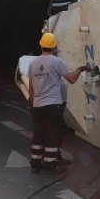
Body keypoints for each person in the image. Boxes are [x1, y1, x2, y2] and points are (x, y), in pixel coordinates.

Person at [28, 33, 89, 173]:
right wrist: (80, 69)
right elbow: (72, 79)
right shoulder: (56, 62)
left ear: (41, 45)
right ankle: (50, 162)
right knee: (52, 133)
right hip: (52, 105)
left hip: (37, 105)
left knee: (39, 133)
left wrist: (32, 103)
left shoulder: (32, 63)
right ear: (54, 47)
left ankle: (35, 162)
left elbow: (31, 87)